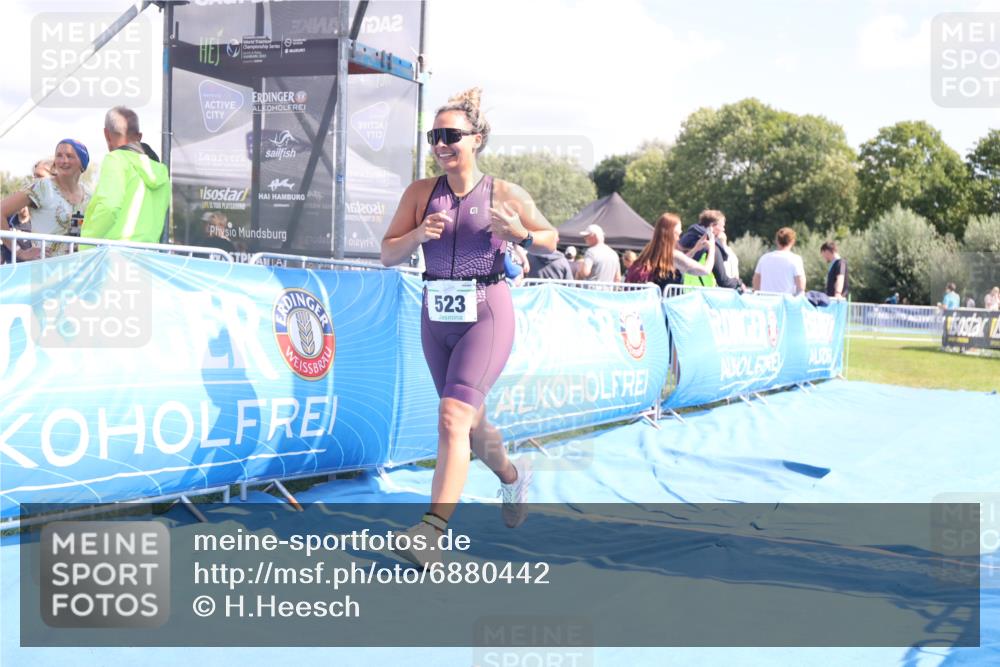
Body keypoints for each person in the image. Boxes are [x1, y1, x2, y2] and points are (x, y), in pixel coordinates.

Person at [380, 88, 558, 566]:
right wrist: (417, 235)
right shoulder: (421, 193)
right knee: (470, 424)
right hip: (435, 312)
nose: (441, 143)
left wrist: (519, 235)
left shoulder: (503, 193)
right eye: (435, 135)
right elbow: (387, 252)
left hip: (486, 312)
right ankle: (514, 476)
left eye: (451, 135)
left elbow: (551, 238)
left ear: (476, 140)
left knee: (452, 419)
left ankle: (430, 533)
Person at [82, 106, 171, 245]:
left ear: (106, 134)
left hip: (114, 255)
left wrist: (86, 241)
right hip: (148, 257)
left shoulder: (115, 159)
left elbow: (109, 207)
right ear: (139, 137)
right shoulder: (162, 171)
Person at [1, 139, 91, 260]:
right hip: (43, 271)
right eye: (59, 155)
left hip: (78, 271)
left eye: (69, 156)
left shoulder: (90, 195)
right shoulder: (42, 187)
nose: (63, 160)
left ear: (82, 163)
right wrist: (19, 252)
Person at [625, 213, 715, 289]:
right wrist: (712, 248)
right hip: (669, 305)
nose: (681, 232)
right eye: (678, 232)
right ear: (673, 233)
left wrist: (695, 249)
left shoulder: (650, 250)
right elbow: (705, 271)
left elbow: (679, 262)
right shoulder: (673, 255)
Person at [678, 209, 743, 290]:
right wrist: (738, 283)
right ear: (712, 226)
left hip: (687, 294)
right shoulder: (712, 248)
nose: (723, 230)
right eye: (722, 226)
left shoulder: (688, 242)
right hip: (705, 294)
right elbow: (723, 281)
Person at [753, 227, 806, 295]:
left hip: (765, 302)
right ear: (792, 241)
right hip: (785, 303)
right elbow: (801, 288)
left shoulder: (764, 258)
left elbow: (756, 281)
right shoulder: (796, 259)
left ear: (777, 241)